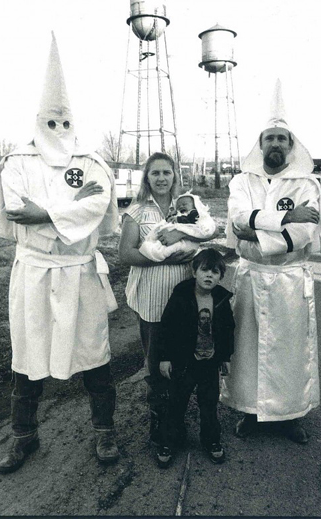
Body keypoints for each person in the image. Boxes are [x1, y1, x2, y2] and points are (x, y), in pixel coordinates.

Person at [0, 32, 120, 474]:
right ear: (37, 121)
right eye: (51, 122)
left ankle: (104, 433)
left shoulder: (92, 162)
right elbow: (17, 211)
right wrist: (66, 208)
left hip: (79, 273)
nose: (59, 131)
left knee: (93, 355)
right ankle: (23, 437)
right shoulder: (16, 161)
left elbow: (97, 203)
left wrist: (46, 209)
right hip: (34, 274)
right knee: (27, 357)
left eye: (65, 122)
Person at [220, 80, 321, 444]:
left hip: (288, 281)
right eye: (269, 138)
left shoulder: (305, 184)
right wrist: (284, 219)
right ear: (261, 143)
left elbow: (305, 233)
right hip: (252, 279)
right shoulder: (242, 180)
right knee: (249, 350)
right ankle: (252, 413)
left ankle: (290, 416)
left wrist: (257, 231)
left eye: (282, 139)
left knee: (289, 352)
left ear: (291, 145)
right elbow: (238, 217)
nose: (275, 145)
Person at [118, 153, 218, 444]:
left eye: (166, 173)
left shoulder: (186, 207)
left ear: (175, 176)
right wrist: (166, 261)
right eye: (155, 173)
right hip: (152, 297)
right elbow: (125, 254)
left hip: (187, 297)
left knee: (184, 359)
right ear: (146, 178)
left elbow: (206, 232)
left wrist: (186, 238)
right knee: (156, 364)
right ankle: (161, 422)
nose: (161, 178)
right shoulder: (137, 211)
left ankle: (179, 417)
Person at [156, 248, 235, 468]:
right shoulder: (181, 295)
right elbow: (167, 327)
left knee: (209, 405)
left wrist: (225, 357)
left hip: (209, 363)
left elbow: (228, 329)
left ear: (221, 276)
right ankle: (169, 442)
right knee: (176, 403)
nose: (210, 275)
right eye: (205, 270)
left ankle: (211, 440)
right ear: (194, 272)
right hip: (183, 362)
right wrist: (164, 357)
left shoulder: (221, 298)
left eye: (216, 272)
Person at [139, 192, 217, 262]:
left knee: (171, 248)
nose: (181, 206)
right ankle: (153, 249)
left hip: (188, 241)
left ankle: (157, 253)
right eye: (178, 206)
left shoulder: (194, 213)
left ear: (194, 205)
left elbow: (191, 221)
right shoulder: (179, 214)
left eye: (184, 204)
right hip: (173, 239)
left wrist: (179, 225)